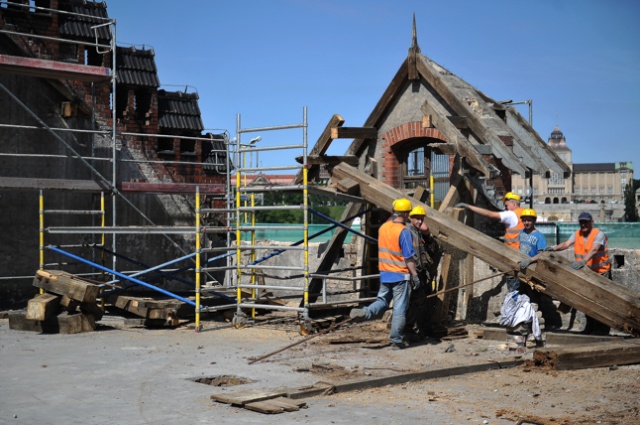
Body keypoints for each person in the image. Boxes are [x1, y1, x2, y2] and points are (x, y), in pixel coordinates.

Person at [350, 198, 418, 349]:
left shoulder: (383, 228)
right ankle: (396, 341)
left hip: (385, 273)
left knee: (382, 301)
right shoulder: (404, 231)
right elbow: (408, 257)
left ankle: (365, 312)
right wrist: (414, 275)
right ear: (407, 214)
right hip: (400, 275)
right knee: (400, 308)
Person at [545, 211, 611, 335]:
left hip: (600, 273)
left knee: (600, 304)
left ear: (591, 222)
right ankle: (590, 327)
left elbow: (594, 249)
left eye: (585, 222)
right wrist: (553, 248)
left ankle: (601, 330)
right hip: (586, 273)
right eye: (581, 222)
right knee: (587, 302)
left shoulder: (599, 234)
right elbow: (566, 244)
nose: (583, 224)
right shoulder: (577, 234)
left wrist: (583, 261)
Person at [456, 192, 524, 291]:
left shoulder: (511, 214)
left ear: (513, 204)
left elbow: (490, 214)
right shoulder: (524, 213)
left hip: (513, 256)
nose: (506, 208)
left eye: (507, 205)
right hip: (522, 254)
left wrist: (469, 206)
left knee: (514, 288)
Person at [500, 208, 545, 343]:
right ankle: (523, 332)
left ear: (534, 221)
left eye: (529, 220)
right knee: (521, 301)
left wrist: (530, 260)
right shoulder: (522, 233)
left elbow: (543, 254)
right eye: (524, 220)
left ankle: (534, 333)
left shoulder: (539, 236)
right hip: (522, 273)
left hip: (533, 273)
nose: (526, 222)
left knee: (533, 303)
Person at [403, 206, 435, 341]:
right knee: (414, 302)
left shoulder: (417, 232)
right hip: (411, 273)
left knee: (419, 302)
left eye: (421, 219)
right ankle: (408, 331)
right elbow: (407, 256)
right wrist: (413, 275)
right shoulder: (407, 231)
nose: (420, 222)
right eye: (417, 219)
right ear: (410, 217)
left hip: (419, 273)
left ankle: (416, 330)